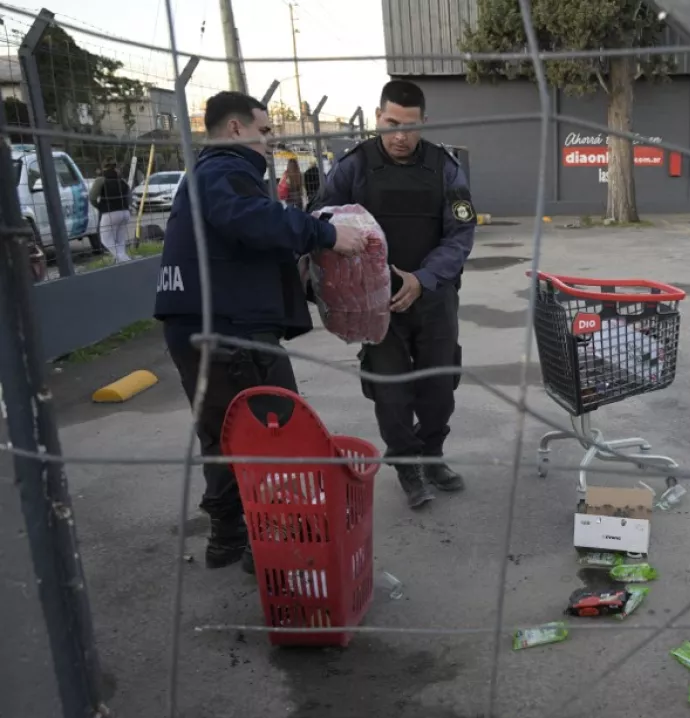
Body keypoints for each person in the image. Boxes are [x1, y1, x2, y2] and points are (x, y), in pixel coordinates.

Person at [154, 91, 367, 571]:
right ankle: (268, 545)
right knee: (273, 435)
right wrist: (325, 233)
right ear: (236, 130)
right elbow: (250, 219)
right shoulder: (224, 172)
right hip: (232, 333)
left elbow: (238, 238)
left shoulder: (204, 175)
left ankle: (228, 539)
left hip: (200, 325)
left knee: (221, 436)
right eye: (265, 131)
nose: (270, 142)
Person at [312, 79, 476, 509]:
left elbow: (460, 235)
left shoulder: (445, 167)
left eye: (410, 125)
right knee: (390, 390)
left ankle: (432, 454)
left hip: (433, 297)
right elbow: (323, 223)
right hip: (374, 303)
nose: (400, 135)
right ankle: (407, 466)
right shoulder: (354, 167)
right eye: (390, 123)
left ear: (425, 123)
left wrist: (421, 279)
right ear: (377, 116)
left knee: (439, 387)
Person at [94, 157, 133, 262]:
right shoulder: (122, 180)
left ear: (104, 167)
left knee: (105, 240)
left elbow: (92, 197)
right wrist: (127, 207)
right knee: (120, 240)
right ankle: (120, 262)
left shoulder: (101, 180)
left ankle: (125, 259)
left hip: (109, 213)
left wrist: (99, 206)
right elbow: (130, 198)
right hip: (125, 212)